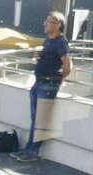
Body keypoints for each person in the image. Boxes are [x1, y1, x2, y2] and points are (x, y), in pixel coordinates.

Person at [12, 11, 71, 163]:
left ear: (58, 25)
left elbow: (68, 65)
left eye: (49, 21)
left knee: (40, 121)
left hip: (48, 84)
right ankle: (28, 150)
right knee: (35, 119)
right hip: (39, 83)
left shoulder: (61, 42)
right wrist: (39, 56)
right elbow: (52, 59)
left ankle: (32, 152)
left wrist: (59, 80)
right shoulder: (49, 40)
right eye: (46, 21)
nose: (45, 24)